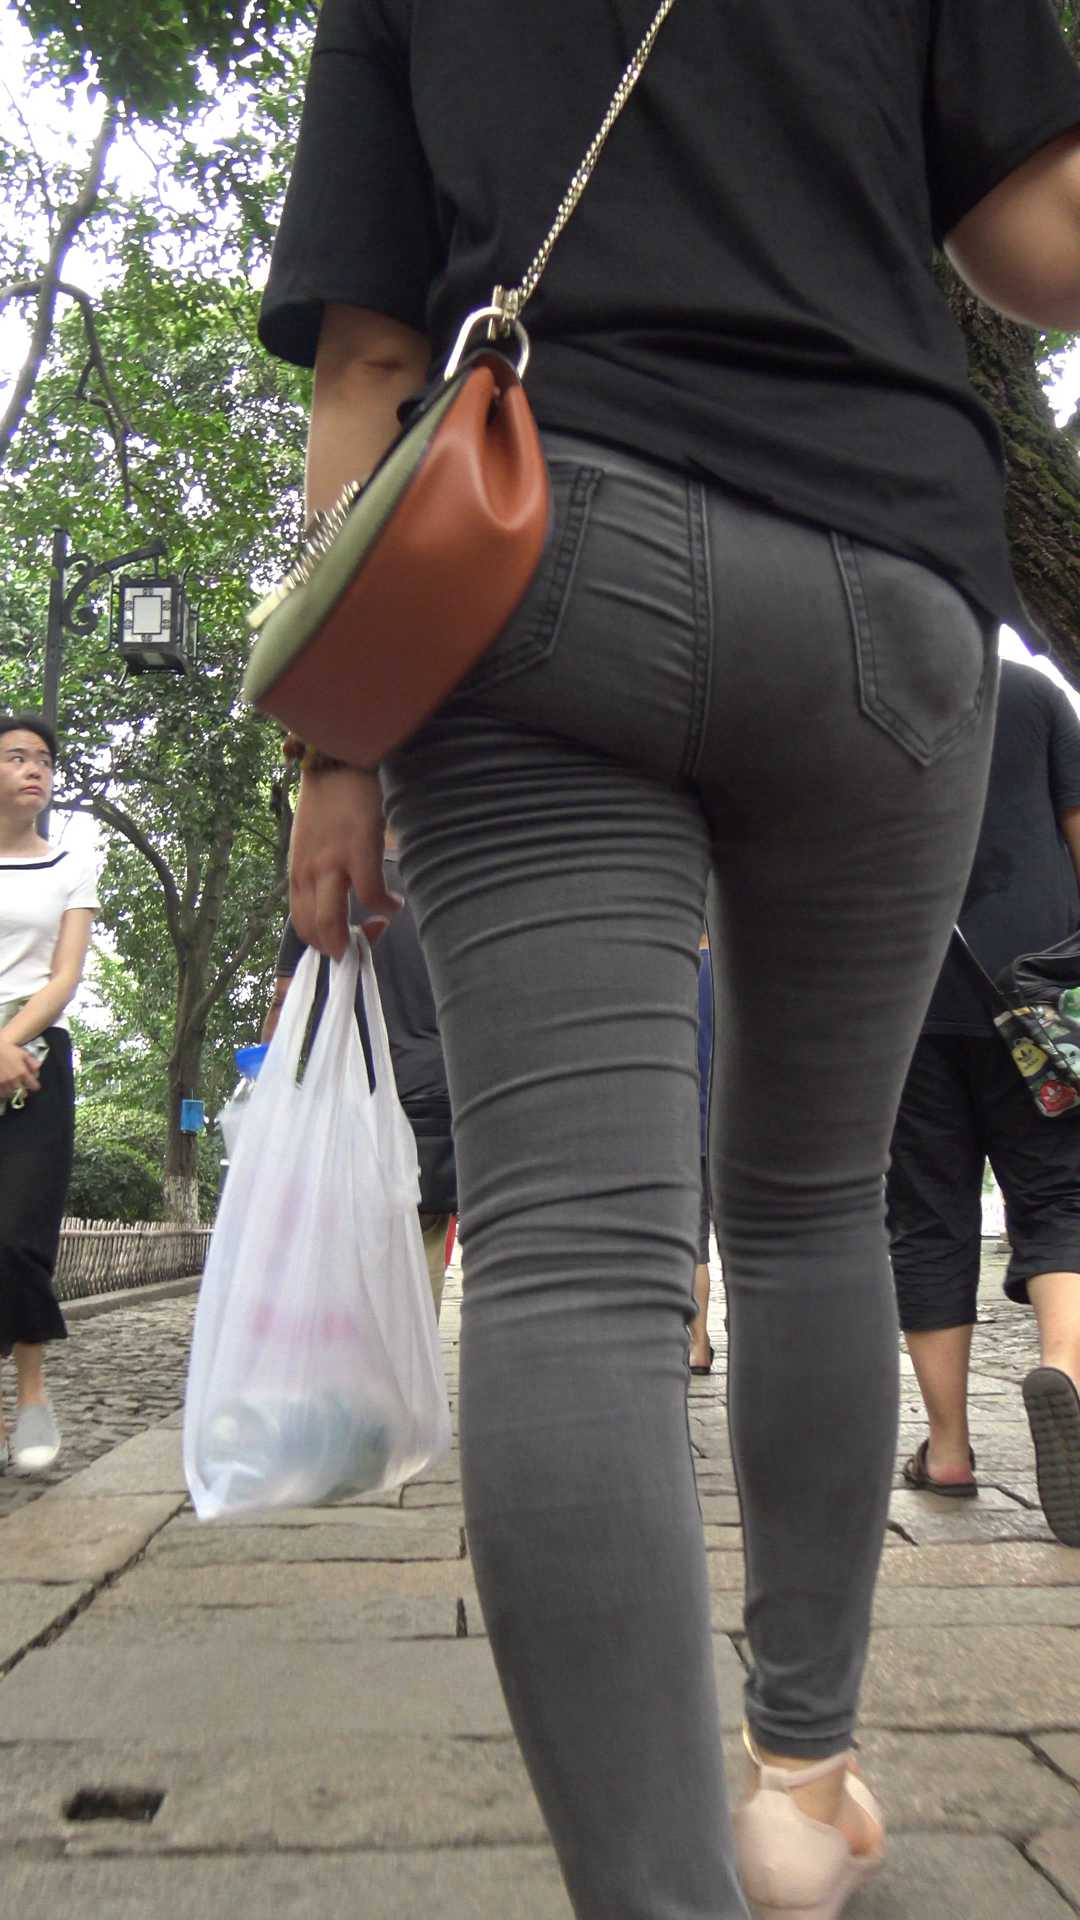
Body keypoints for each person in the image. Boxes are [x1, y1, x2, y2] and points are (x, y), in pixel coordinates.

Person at [258, 5, 1080, 1914]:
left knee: (571, 1250)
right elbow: (1041, 244)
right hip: (880, 576)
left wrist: (333, 748)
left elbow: (369, 359)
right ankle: (803, 1784)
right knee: (806, 1207)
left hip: (530, 551)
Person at [888, 659, 1080, 1548]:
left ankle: (949, 1450)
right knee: (1061, 1191)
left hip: (904, 994)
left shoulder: (867, 685)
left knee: (928, 1215)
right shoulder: (1035, 697)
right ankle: (1065, 1370)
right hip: (1033, 996)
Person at [263, 837, 455, 1318]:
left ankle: (346, 1356)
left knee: (340, 1268)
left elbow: (286, 1003)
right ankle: (409, 1360)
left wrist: (268, 1084)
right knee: (420, 1266)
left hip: (346, 1108)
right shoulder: (445, 886)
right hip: (432, 1104)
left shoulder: (327, 889)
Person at [0, 715, 97, 1474]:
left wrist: (9, 1042)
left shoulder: (72, 865)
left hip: (37, 1061)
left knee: (18, 1233)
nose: (35, 768)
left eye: (44, 759)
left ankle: (32, 1396)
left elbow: (65, 977)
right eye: (16, 757)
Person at [690, 932, 714, 1376]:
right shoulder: (735, 973)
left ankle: (697, 1344)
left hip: (683, 1126)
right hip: (735, 1124)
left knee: (692, 1243)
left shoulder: (675, 972)